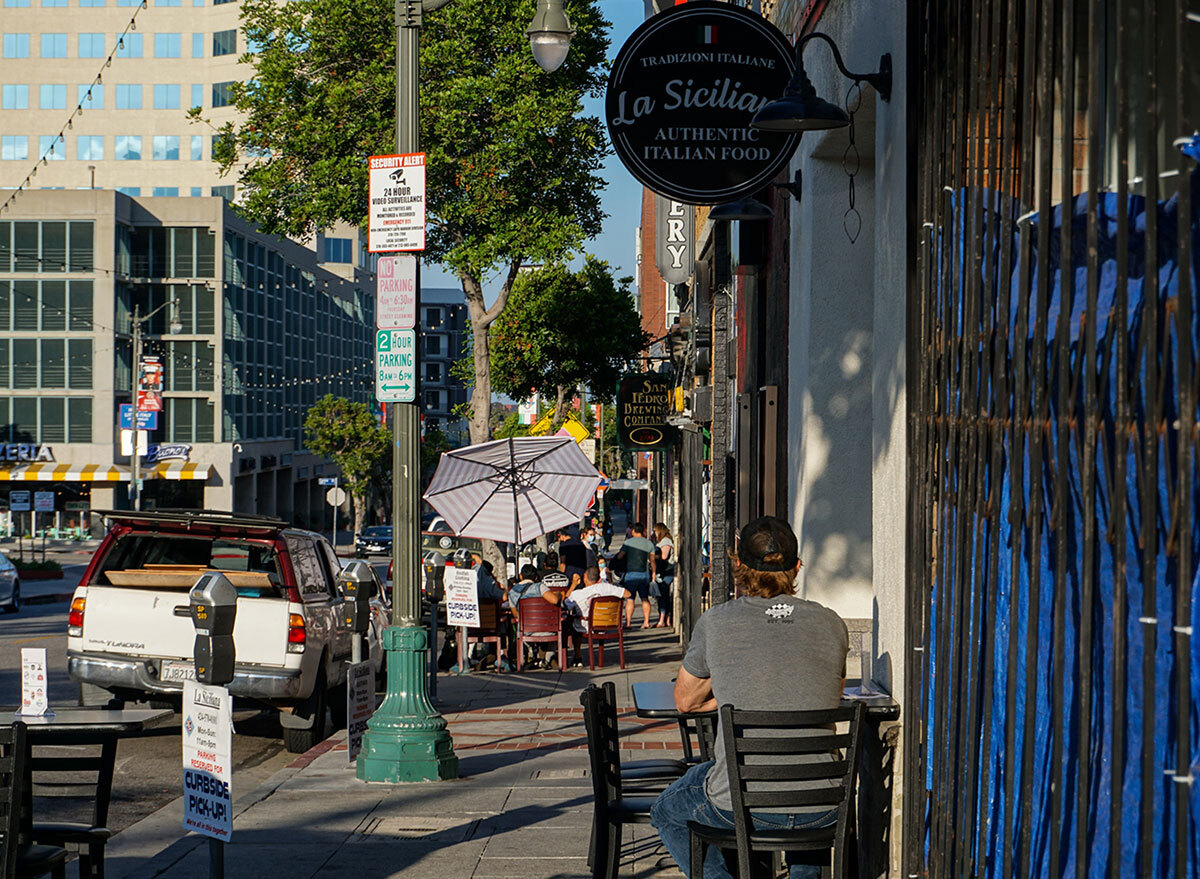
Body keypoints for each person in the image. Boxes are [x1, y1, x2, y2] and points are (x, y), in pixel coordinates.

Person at [649, 516, 849, 879]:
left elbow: (685, 702)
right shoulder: (832, 623)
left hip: (742, 804)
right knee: (802, 799)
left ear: (738, 564)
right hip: (824, 803)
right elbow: (830, 699)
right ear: (797, 566)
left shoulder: (717, 622)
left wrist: (725, 695)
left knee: (666, 811)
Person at [616, 522, 657, 628]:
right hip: (644, 574)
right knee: (644, 598)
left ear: (633, 531)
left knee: (630, 599)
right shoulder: (649, 544)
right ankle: (646, 622)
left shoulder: (628, 543)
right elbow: (652, 561)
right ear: (643, 531)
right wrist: (653, 574)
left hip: (631, 574)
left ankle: (628, 623)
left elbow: (620, 556)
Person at [652, 522, 675, 628]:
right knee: (662, 595)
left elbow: (664, 556)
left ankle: (663, 619)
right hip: (663, 572)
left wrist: (653, 557)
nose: (654, 533)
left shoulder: (666, 541)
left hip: (667, 571)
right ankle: (665, 619)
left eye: (655, 531)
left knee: (663, 595)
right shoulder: (662, 541)